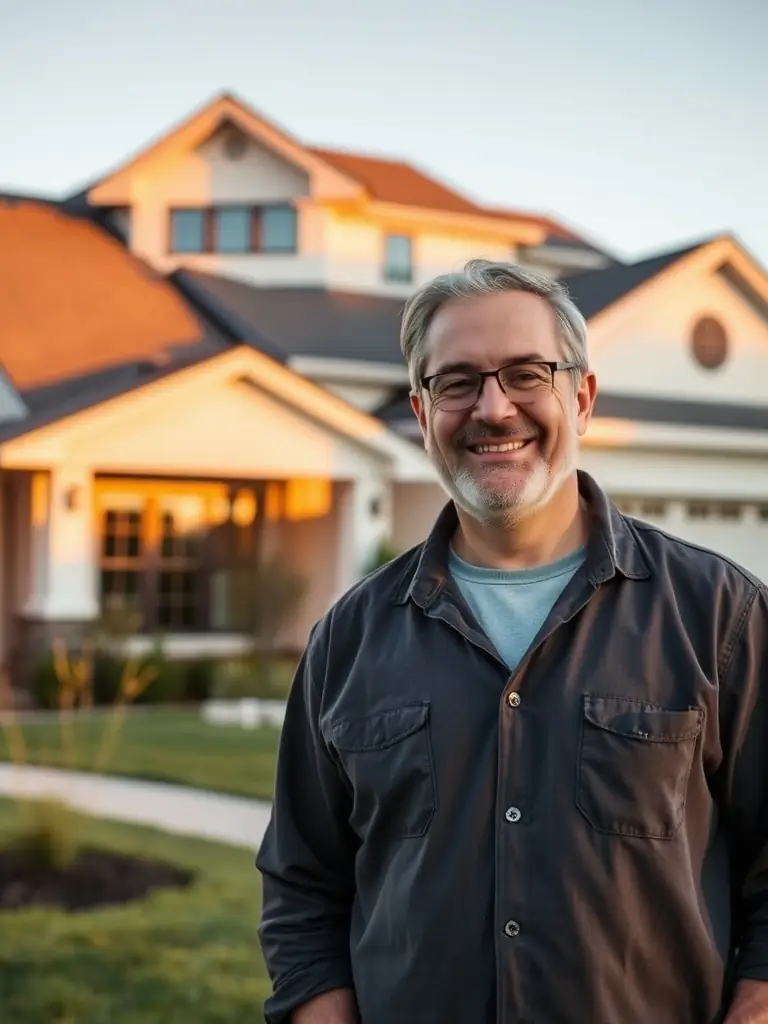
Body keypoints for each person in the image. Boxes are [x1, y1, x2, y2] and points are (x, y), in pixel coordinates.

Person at [256, 259, 768, 1024]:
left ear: (582, 397)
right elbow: (303, 888)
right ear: (423, 412)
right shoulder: (348, 640)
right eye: (456, 382)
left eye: (527, 374)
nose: (493, 409)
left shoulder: (719, 617)